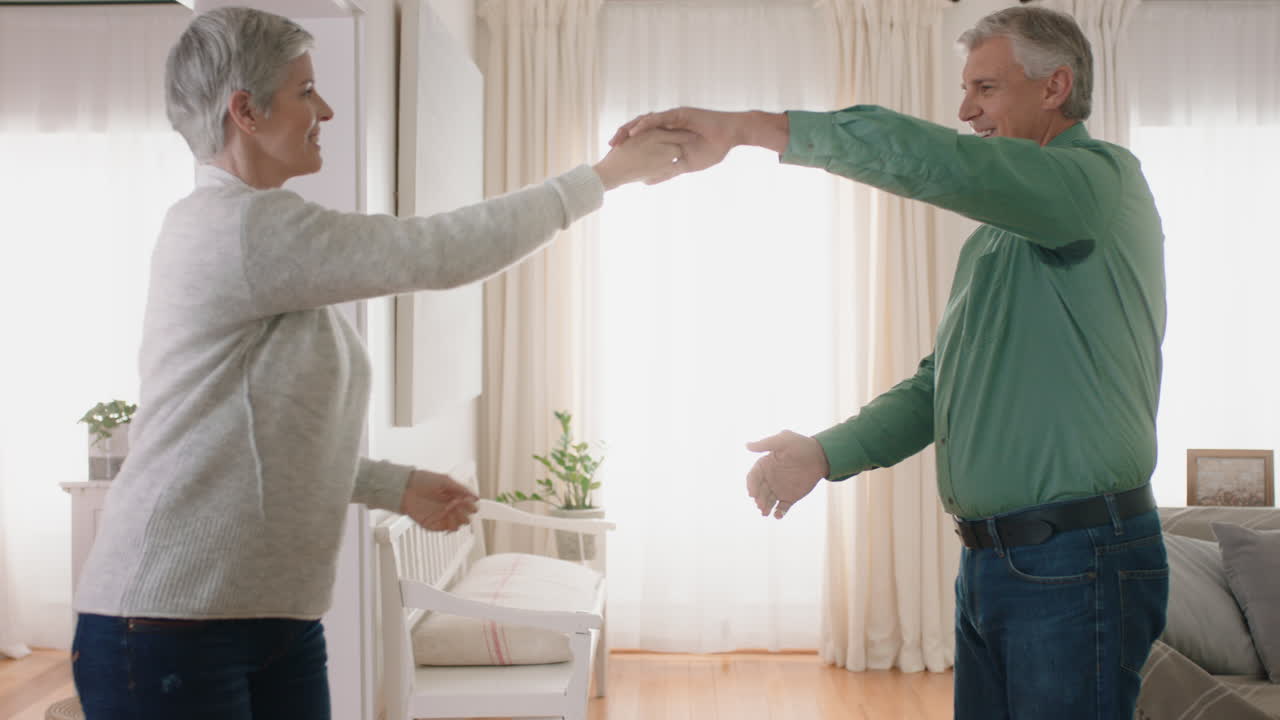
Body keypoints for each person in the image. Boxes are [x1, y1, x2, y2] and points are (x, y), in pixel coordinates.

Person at [70, 7, 688, 719]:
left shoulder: (263, 238)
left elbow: (255, 437)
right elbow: (439, 251)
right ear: (245, 110)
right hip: (170, 623)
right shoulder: (238, 227)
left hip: (270, 617)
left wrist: (388, 484)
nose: (325, 108)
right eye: (306, 91)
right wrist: (603, 178)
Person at [613, 6, 1167, 720]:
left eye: (985, 88)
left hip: (1077, 559)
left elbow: (939, 159)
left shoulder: (1098, 183)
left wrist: (750, 128)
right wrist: (822, 452)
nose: (966, 109)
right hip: (996, 565)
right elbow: (942, 386)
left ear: (1054, 85)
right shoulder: (993, 244)